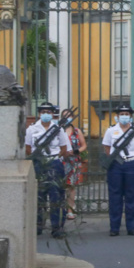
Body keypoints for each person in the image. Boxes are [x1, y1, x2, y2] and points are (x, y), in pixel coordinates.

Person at [25, 102, 70, 238]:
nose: (46, 114)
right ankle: (38, 225)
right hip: (39, 162)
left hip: (54, 162)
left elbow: (64, 148)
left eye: (49, 112)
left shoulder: (58, 129)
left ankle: (57, 227)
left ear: (52, 114)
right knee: (39, 195)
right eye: (43, 111)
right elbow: (28, 148)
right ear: (39, 114)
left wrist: (54, 158)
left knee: (56, 195)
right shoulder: (32, 129)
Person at [103, 104, 134, 237]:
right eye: (121, 114)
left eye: (126, 114)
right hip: (115, 165)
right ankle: (114, 227)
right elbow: (106, 147)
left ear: (130, 116)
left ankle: (132, 227)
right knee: (115, 196)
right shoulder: (111, 130)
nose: (124, 116)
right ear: (117, 116)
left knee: (131, 196)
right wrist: (114, 158)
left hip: (132, 164)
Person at [61, 108, 87, 220]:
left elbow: (84, 145)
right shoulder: (58, 130)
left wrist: (76, 151)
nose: (66, 118)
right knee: (60, 185)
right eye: (64, 116)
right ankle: (60, 208)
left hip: (73, 161)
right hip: (61, 160)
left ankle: (70, 209)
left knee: (71, 186)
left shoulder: (77, 131)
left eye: (68, 116)